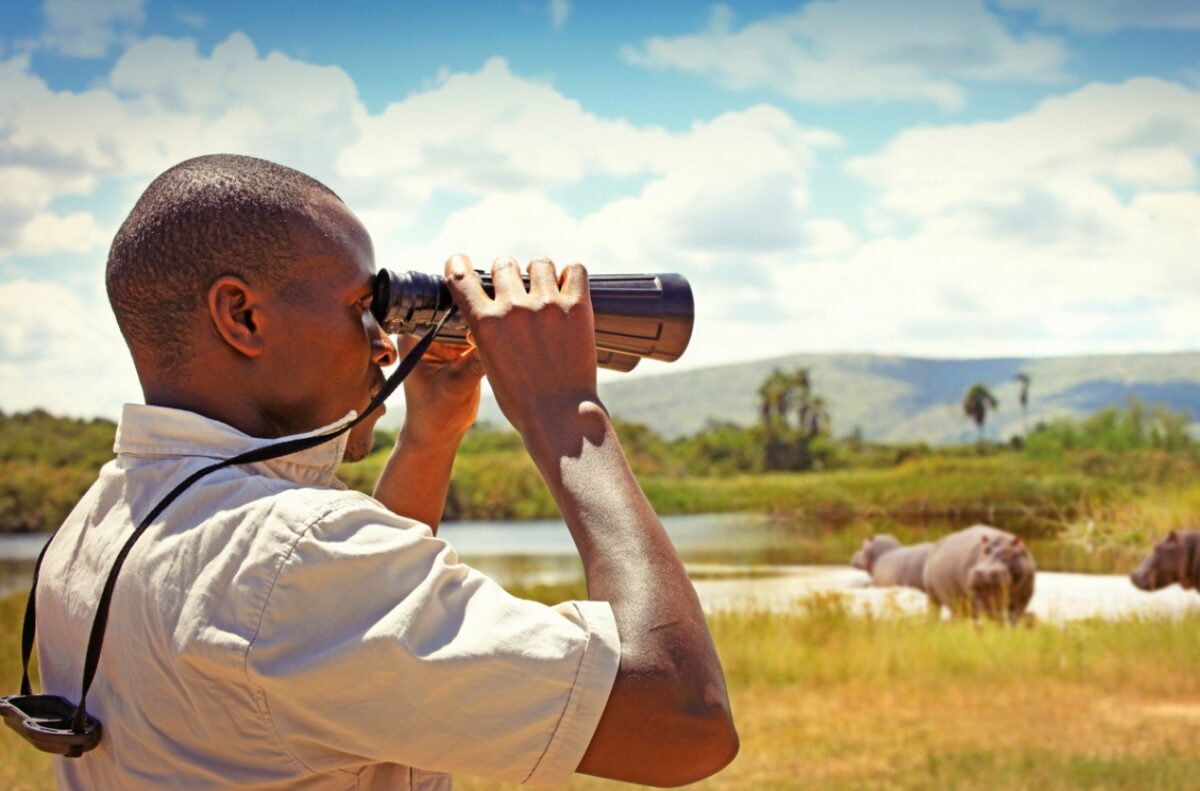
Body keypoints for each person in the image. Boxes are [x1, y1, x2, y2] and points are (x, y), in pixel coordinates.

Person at [33, 154, 737, 789]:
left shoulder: (97, 525)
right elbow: (681, 718)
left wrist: (430, 437)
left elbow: (344, 661)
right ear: (242, 316)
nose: (381, 345)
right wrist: (566, 411)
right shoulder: (289, 559)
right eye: (357, 309)